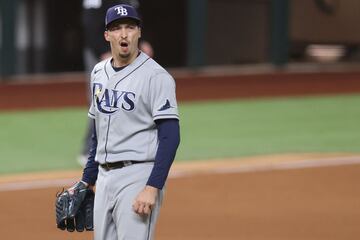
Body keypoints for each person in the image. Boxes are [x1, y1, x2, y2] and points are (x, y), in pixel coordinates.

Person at [59, 3, 180, 240]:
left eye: (130, 27)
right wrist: (87, 180)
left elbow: (170, 137)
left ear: (139, 32)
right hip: (104, 179)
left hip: (138, 176)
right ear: (106, 35)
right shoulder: (98, 72)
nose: (123, 34)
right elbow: (98, 133)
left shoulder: (157, 77)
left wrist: (152, 187)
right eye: (116, 28)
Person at [79, 0, 154, 166]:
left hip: (126, 50)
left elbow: (135, 19)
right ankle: (89, 150)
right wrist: (102, 51)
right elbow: (90, 24)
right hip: (99, 52)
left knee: (128, 98)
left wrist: (144, 42)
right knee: (101, 101)